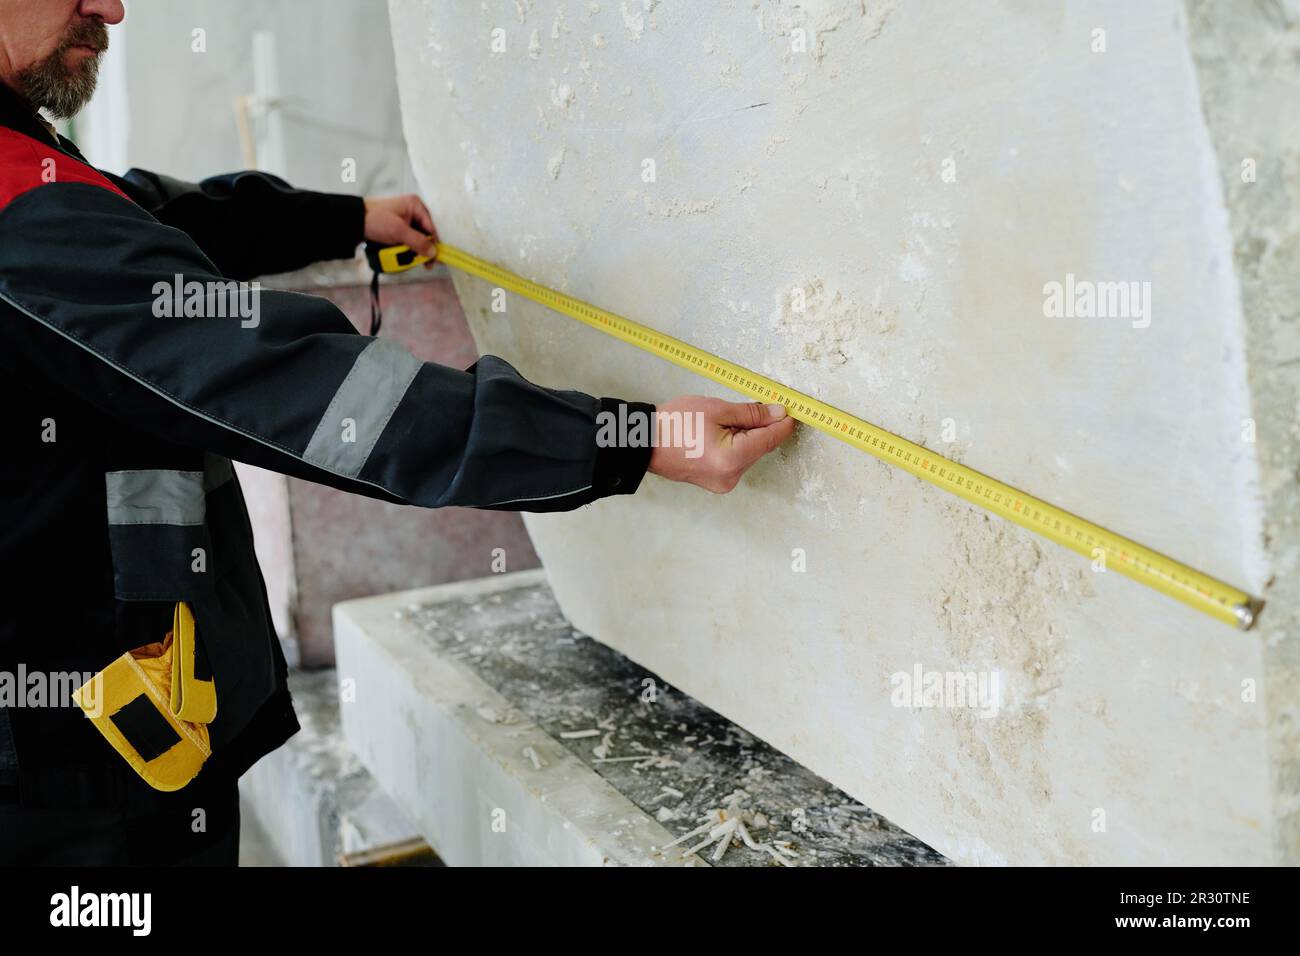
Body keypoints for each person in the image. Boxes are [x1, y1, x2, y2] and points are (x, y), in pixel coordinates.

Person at [0, 0, 796, 865]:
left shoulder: (31, 180)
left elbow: (141, 216)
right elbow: (310, 391)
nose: (110, 6)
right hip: (73, 787)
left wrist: (344, 217)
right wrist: (622, 439)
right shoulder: (20, 214)